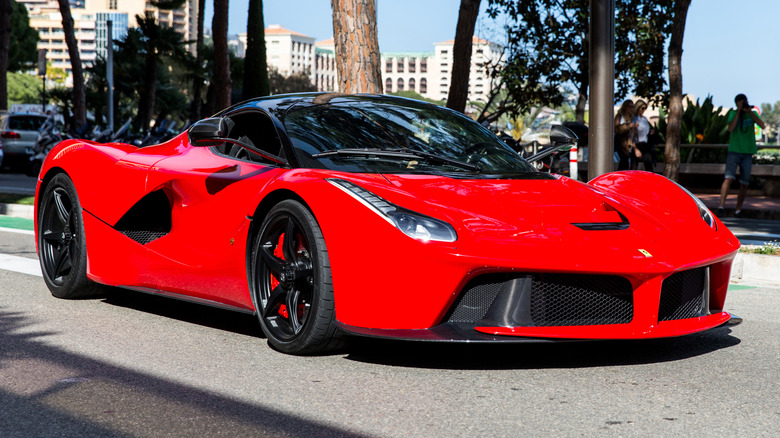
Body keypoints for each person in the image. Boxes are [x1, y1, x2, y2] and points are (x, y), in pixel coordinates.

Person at [717, 93, 766, 217]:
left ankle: (738, 209)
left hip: (748, 152)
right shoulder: (733, 113)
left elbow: (762, 125)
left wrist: (749, 112)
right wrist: (738, 112)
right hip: (734, 151)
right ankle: (721, 205)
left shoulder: (752, 113)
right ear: (736, 103)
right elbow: (731, 128)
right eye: (740, 102)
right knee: (728, 178)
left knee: (745, 182)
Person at [632, 99, 656, 171]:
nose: (644, 110)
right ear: (638, 108)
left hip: (645, 144)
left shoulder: (644, 119)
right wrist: (635, 148)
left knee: (649, 166)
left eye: (645, 108)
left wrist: (651, 133)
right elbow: (631, 135)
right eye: (642, 108)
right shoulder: (634, 119)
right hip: (637, 143)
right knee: (634, 167)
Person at [614, 100, 635, 170]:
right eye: (630, 107)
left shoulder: (632, 117)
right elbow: (616, 129)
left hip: (629, 143)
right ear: (625, 107)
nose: (632, 109)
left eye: (633, 107)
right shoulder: (620, 116)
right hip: (620, 143)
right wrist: (629, 126)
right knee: (623, 162)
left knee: (629, 163)